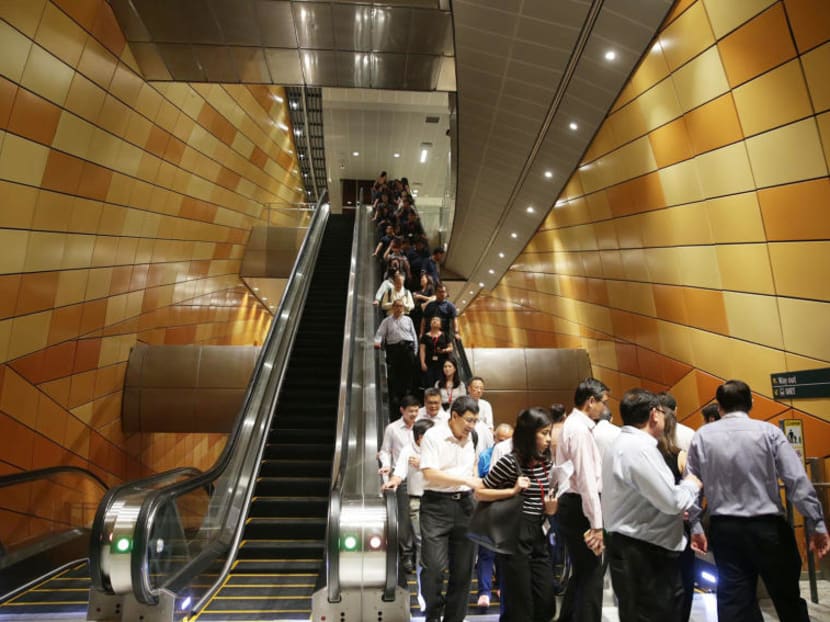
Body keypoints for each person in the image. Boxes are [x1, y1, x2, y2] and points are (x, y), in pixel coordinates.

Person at [686, 380, 830, 622]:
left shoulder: (701, 437)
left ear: (719, 407)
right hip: (769, 530)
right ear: (751, 402)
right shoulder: (769, 432)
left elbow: (691, 484)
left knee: (734, 602)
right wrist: (816, 522)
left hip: (725, 530)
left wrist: (696, 526)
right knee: (787, 598)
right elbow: (796, 480)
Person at [602, 389, 702, 622]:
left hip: (633, 547)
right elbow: (671, 502)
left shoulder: (622, 443)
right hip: (646, 554)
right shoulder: (639, 448)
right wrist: (690, 485)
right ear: (654, 414)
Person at [479, 408, 558, 621]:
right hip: (514, 535)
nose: (548, 439)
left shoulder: (546, 461)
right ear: (529, 434)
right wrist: (512, 491)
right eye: (544, 433)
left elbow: (548, 492)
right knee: (519, 606)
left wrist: (551, 509)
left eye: (549, 433)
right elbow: (480, 493)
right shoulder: (509, 462)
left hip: (539, 533)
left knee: (546, 603)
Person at [419, 395, 483, 622]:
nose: (471, 426)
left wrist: (473, 481)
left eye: (475, 421)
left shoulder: (473, 437)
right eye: (468, 420)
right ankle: (433, 614)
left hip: (466, 505)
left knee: (463, 571)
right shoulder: (433, 436)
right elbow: (429, 473)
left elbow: (473, 466)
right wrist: (466, 480)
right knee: (434, 568)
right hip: (436, 505)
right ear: (454, 415)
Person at [555, 378, 609, 622]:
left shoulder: (574, 425)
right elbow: (586, 480)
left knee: (582, 571)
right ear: (591, 401)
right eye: (603, 403)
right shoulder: (579, 429)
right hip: (580, 507)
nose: (605, 408)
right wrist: (596, 524)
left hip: (573, 504)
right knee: (591, 574)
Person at [383, 418, 435, 589]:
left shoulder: (438, 448)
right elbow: (399, 473)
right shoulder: (408, 450)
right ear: (420, 437)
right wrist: (393, 481)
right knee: (421, 542)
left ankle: (435, 584)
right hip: (417, 501)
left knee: (436, 545)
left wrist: (424, 464)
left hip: (439, 500)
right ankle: (424, 591)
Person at [655, 402, 695, 621]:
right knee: (683, 580)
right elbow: (694, 490)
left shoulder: (645, 455)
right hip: (679, 527)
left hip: (651, 528)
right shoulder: (681, 455)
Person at [475, 423, 514, 609]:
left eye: (508, 439)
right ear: (494, 438)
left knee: (503, 553)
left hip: (510, 509)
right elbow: (483, 482)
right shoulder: (484, 456)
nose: (504, 443)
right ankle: (484, 591)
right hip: (488, 508)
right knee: (486, 552)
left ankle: (500, 586)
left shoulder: (517, 455)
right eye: (501, 439)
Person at [378, 396, 420, 572]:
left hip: (421, 475)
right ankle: (407, 555)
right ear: (402, 410)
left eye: (416, 410)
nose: (414, 414)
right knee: (404, 518)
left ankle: (422, 554)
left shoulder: (423, 427)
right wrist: (386, 466)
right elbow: (384, 450)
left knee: (421, 516)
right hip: (400, 476)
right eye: (410, 411)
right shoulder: (392, 428)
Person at [374, 299, 418, 414]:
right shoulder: (387, 321)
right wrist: (377, 342)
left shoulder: (408, 319)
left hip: (407, 349)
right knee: (394, 373)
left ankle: (407, 395)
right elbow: (379, 333)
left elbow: (413, 335)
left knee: (408, 373)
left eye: (401, 306)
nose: (399, 308)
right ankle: (395, 396)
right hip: (394, 350)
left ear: (403, 308)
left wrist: (415, 350)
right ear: (393, 307)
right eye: (397, 306)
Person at [420, 316, 452, 390]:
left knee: (441, 381)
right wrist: (422, 362)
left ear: (440, 325)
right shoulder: (425, 336)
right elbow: (422, 350)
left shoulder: (444, 335)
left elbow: (451, 348)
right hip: (429, 362)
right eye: (433, 320)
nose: (434, 321)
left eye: (437, 320)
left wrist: (444, 350)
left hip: (442, 362)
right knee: (429, 382)